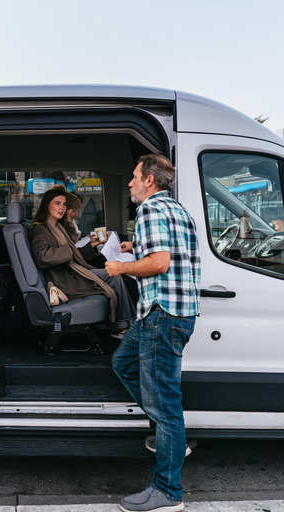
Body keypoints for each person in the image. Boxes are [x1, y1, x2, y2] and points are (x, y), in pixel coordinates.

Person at [105, 154, 201, 512]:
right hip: (174, 313)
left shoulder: (148, 210)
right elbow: (171, 254)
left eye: (133, 177)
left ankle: (167, 491)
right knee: (123, 362)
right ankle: (170, 437)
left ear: (149, 180)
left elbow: (160, 263)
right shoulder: (178, 210)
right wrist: (134, 248)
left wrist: (120, 267)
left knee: (165, 406)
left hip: (162, 315)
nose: (130, 183)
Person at [29, 187, 135, 331]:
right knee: (112, 275)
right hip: (63, 280)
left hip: (71, 274)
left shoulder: (58, 226)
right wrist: (67, 251)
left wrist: (91, 246)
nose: (62, 208)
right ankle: (124, 324)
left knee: (113, 273)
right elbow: (41, 257)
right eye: (57, 203)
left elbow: (74, 255)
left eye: (64, 204)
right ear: (47, 205)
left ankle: (129, 322)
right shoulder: (40, 228)